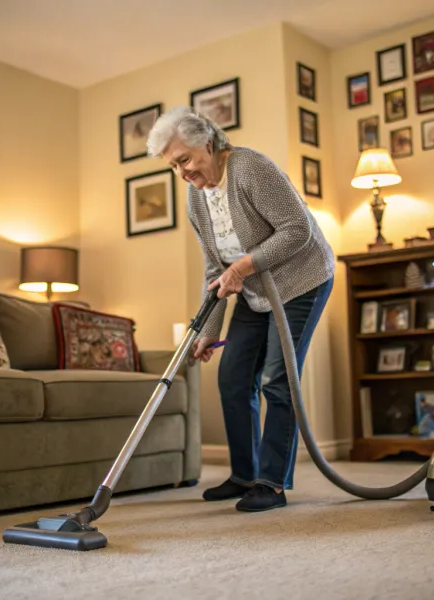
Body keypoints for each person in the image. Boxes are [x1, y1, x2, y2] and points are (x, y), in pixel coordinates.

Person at [146, 106, 335, 512]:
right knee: (233, 378)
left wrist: (244, 266)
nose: (181, 172)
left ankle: (271, 482)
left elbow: (297, 230)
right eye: (173, 166)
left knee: (278, 379)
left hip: (301, 281)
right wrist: (208, 332)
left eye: (184, 160)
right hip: (253, 289)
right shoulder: (196, 199)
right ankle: (244, 474)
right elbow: (215, 268)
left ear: (208, 143)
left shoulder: (251, 169)